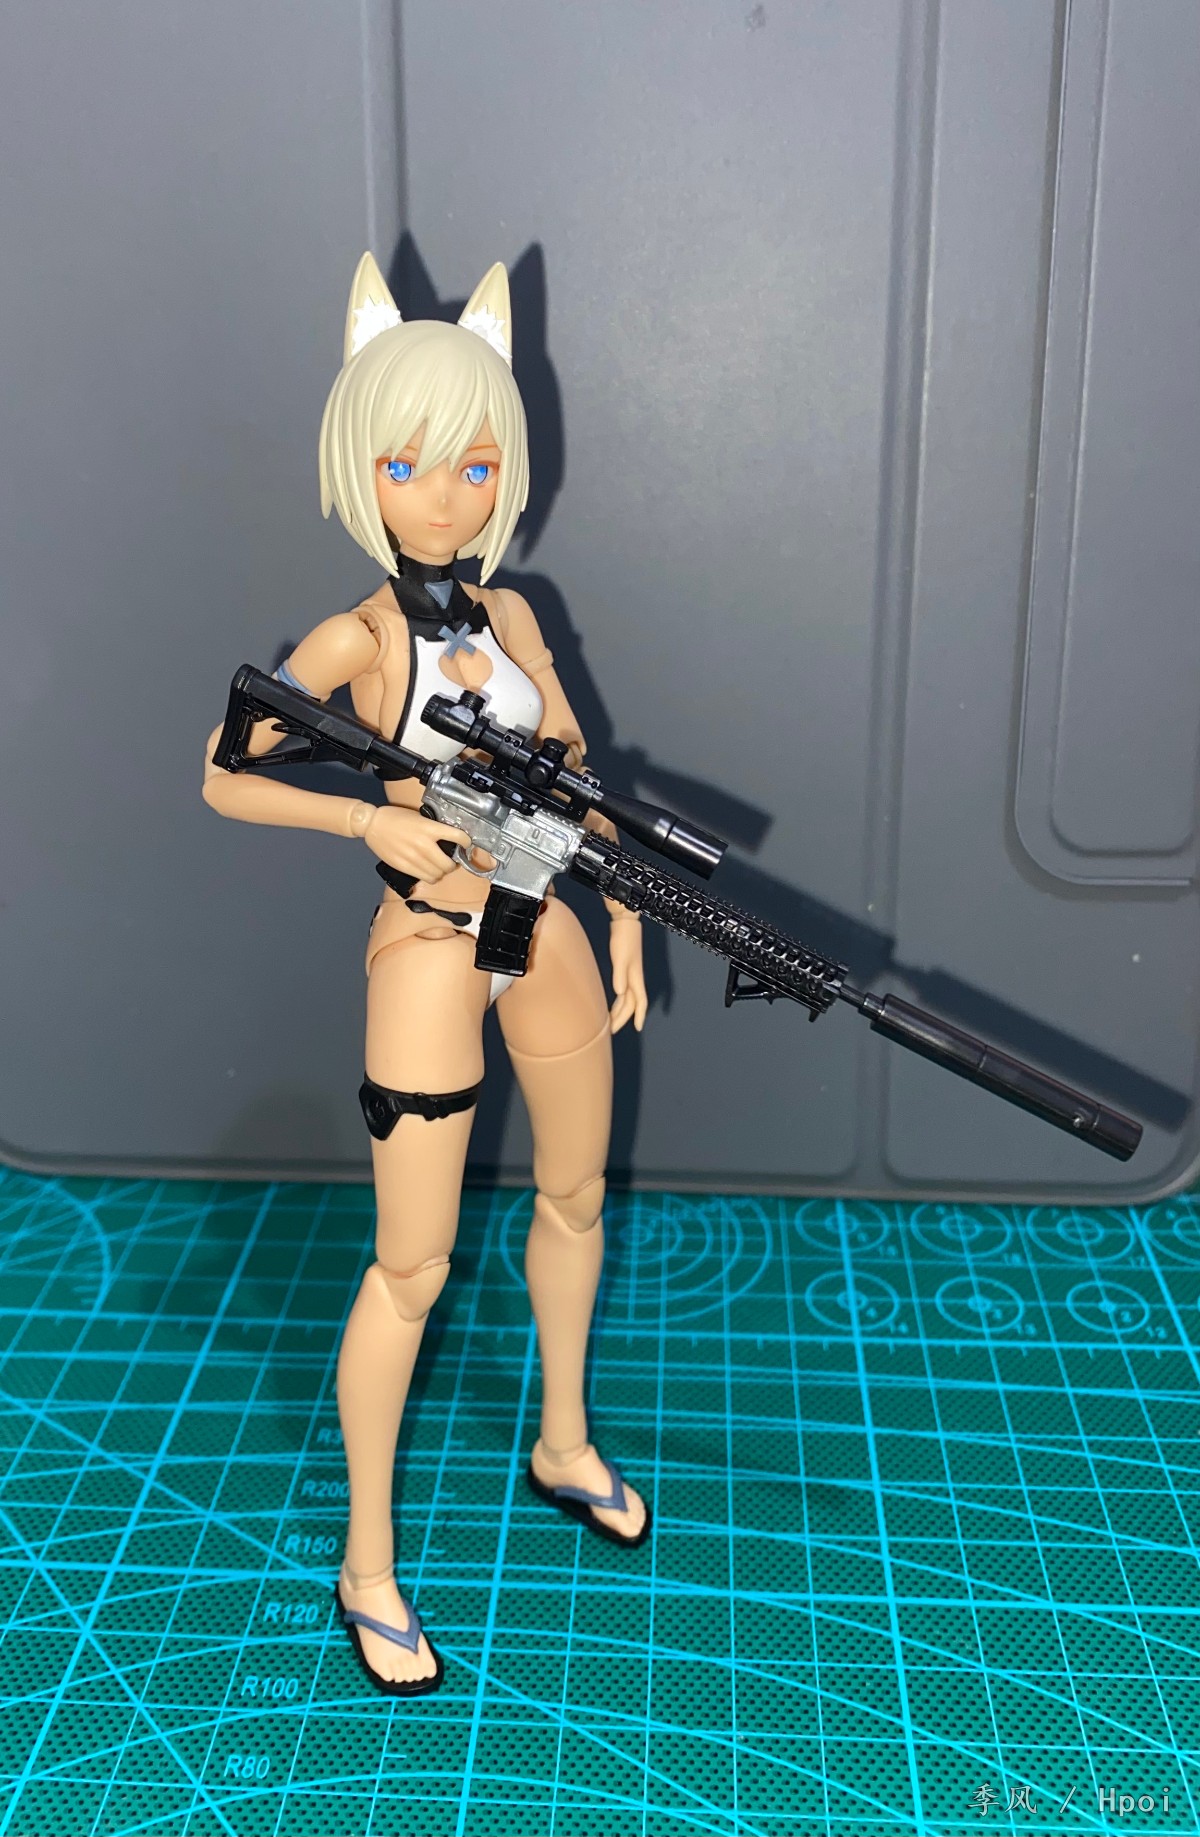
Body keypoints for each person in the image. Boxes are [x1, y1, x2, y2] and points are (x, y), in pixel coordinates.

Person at [203, 255, 650, 1696]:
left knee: (574, 1193)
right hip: (426, 941)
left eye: (472, 465)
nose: (444, 498)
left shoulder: (513, 618)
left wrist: (625, 904)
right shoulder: (359, 638)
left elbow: (577, 770)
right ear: (362, 469)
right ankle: (367, 1562)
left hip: (544, 920)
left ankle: (563, 1438)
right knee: (411, 1265)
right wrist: (368, 819)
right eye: (407, 466)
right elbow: (224, 774)